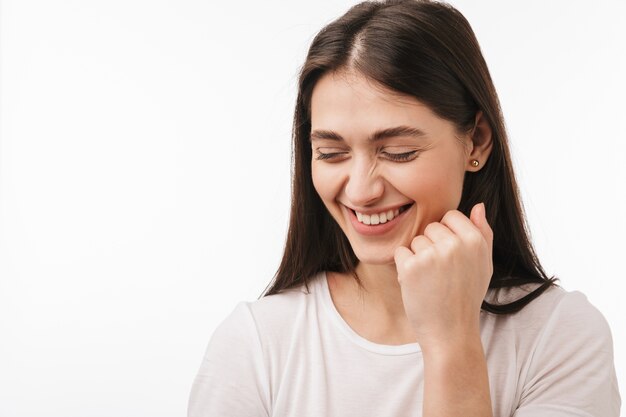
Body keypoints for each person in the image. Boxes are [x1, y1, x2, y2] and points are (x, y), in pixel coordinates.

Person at [188, 1, 621, 416]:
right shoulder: (256, 343)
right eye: (332, 153)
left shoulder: (559, 336)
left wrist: (452, 341)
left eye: (398, 152)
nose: (360, 191)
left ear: (477, 141)